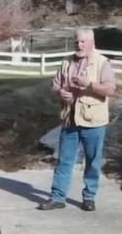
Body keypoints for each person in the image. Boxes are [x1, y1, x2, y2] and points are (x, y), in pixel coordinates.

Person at [39, 28, 117, 212]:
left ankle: (89, 197)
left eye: (82, 41)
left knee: (92, 160)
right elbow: (55, 85)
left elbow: (110, 89)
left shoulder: (102, 62)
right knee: (64, 160)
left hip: (93, 121)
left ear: (91, 42)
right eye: (76, 42)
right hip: (69, 119)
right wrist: (60, 93)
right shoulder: (66, 62)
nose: (79, 45)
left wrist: (89, 85)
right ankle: (58, 197)